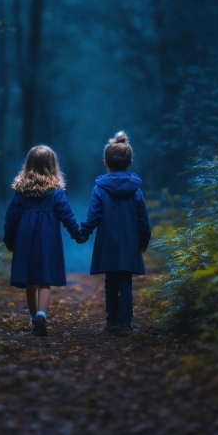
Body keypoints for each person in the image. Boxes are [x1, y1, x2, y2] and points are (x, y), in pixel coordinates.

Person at [3, 144, 81, 336]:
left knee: (30, 280)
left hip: (25, 239)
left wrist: (9, 240)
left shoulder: (21, 193)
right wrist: (78, 233)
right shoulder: (55, 193)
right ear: (52, 166)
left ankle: (33, 318)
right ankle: (41, 315)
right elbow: (67, 215)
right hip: (48, 239)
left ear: (28, 166)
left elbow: (11, 218)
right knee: (44, 280)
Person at [78, 131, 151, 336]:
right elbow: (142, 219)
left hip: (108, 242)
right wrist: (143, 242)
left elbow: (94, 215)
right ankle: (125, 323)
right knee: (125, 281)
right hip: (130, 242)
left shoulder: (100, 188)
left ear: (105, 163)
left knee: (111, 281)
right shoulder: (136, 190)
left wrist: (82, 233)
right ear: (130, 162)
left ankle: (111, 322)